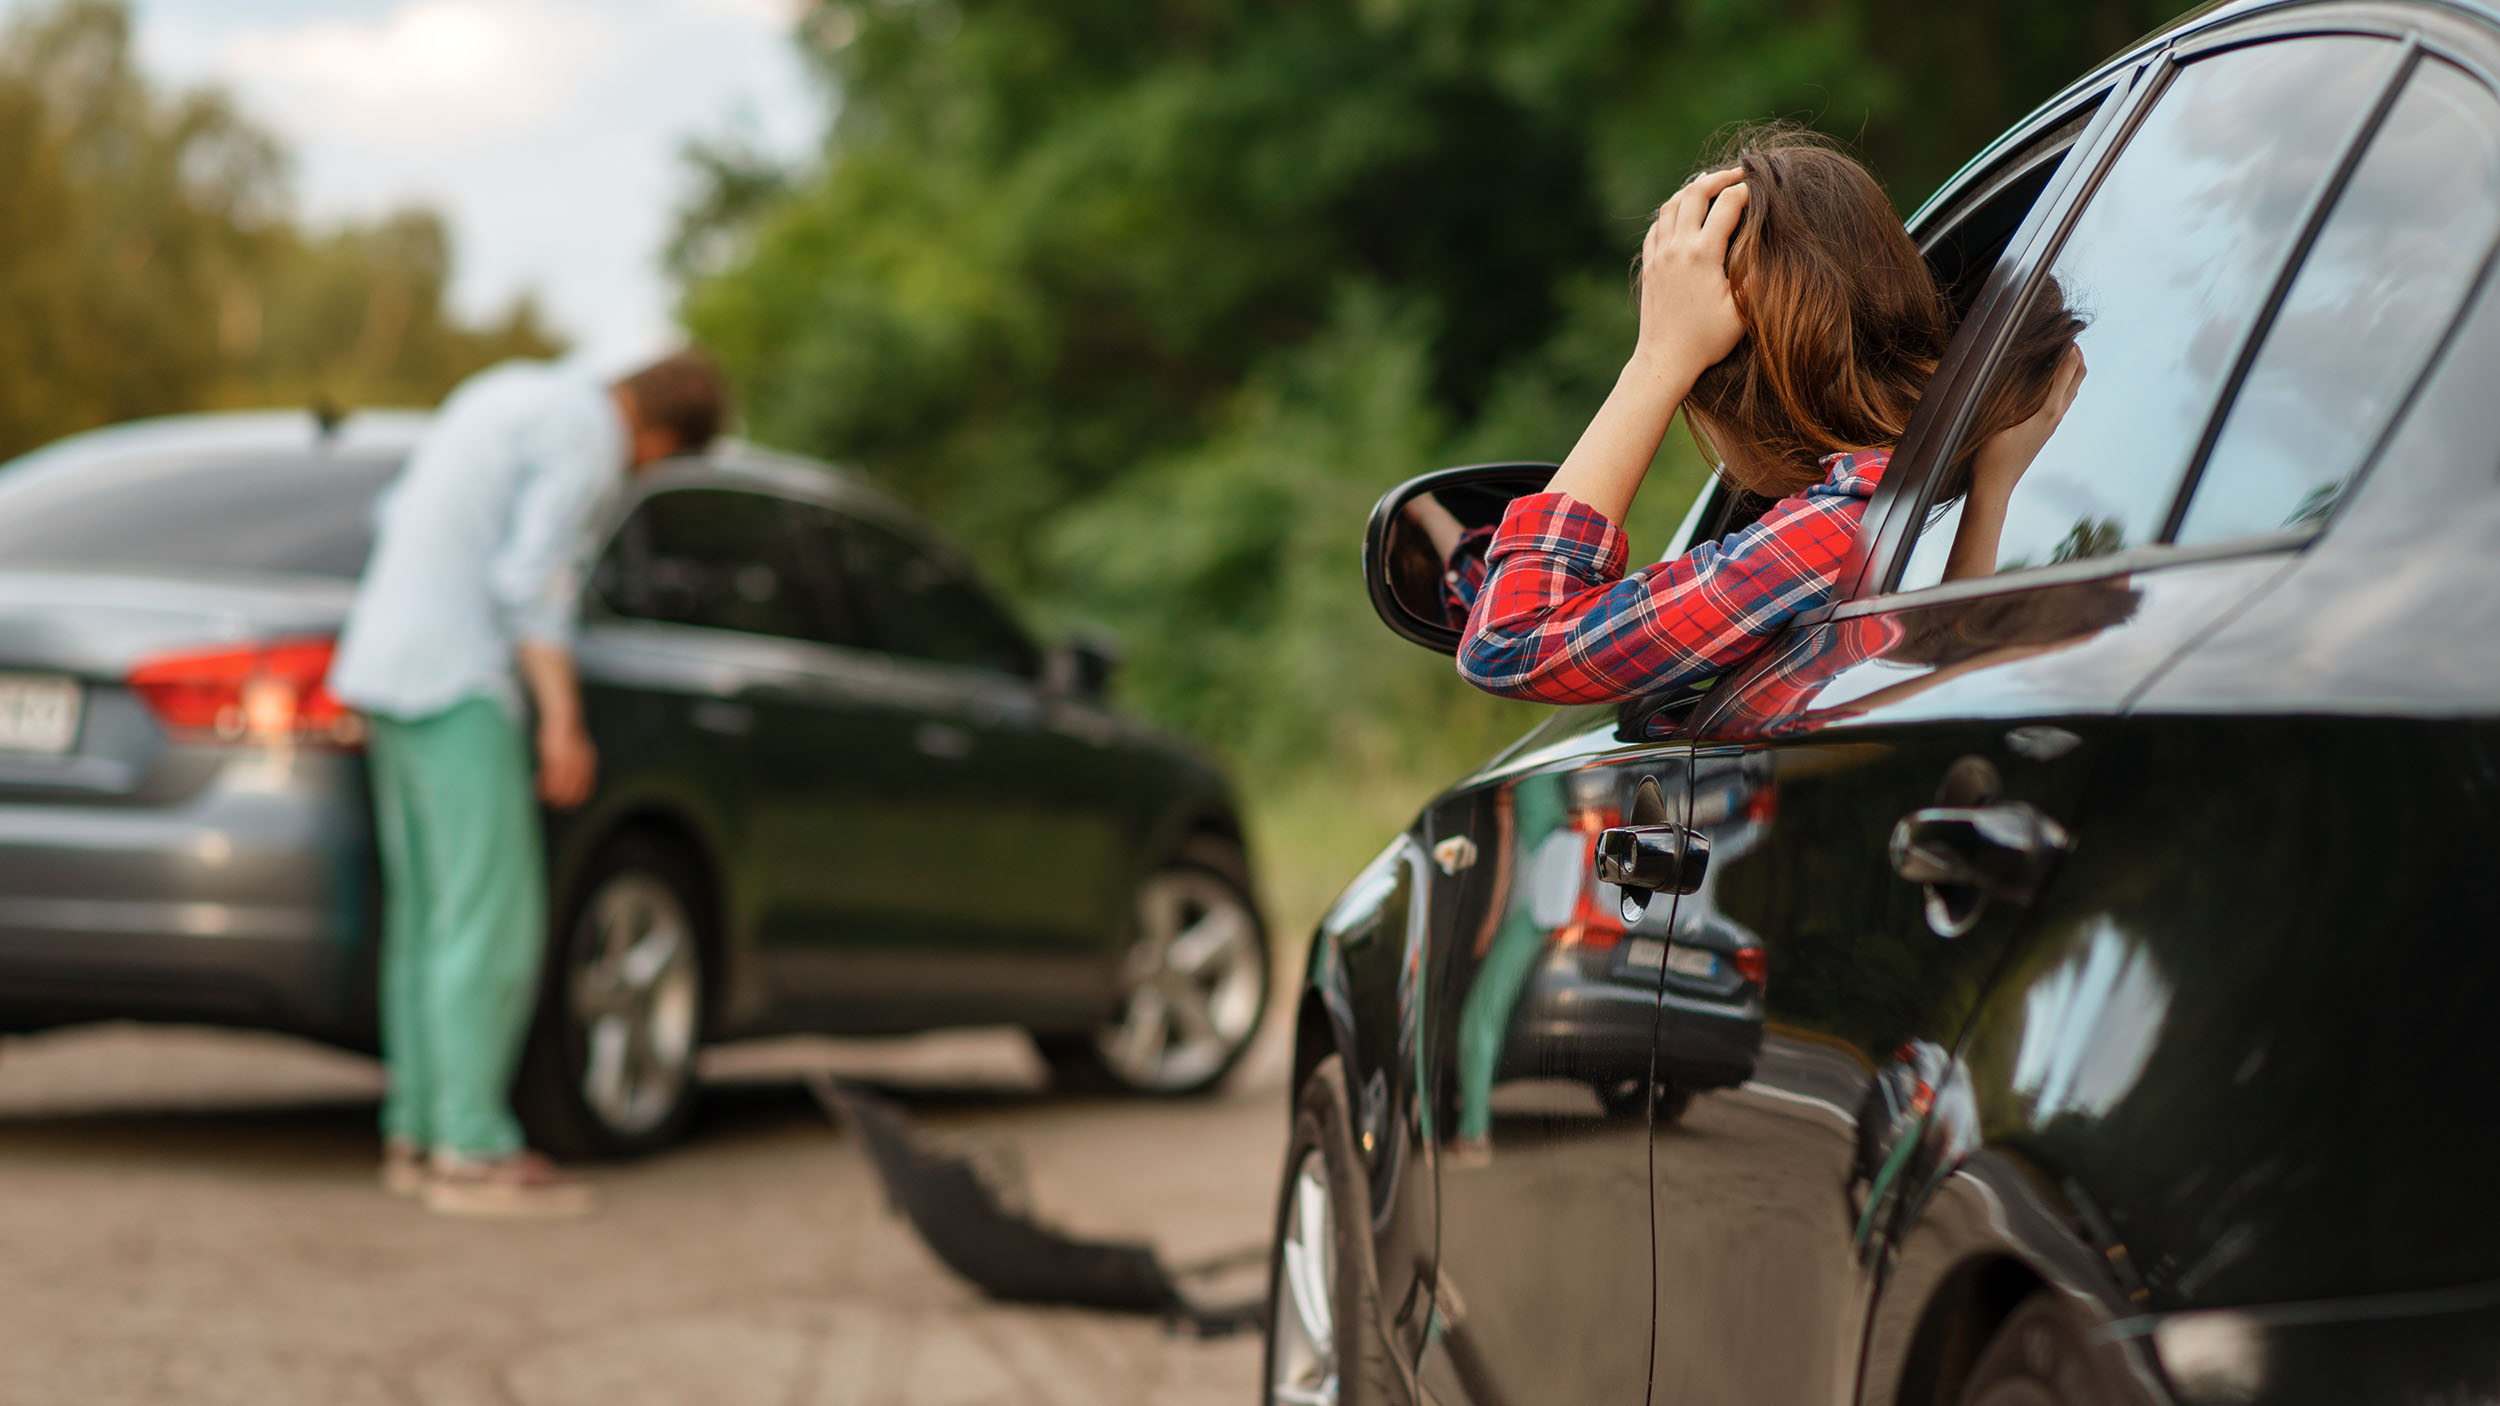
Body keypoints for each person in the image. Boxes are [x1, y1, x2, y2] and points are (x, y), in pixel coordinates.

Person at [1455, 127, 2087, 706]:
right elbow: (1942, 672)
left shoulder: (1839, 529)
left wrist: (1657, 361)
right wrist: (1993, 491)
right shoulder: (1915, 499)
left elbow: (1509, 641)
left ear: (1727, 397)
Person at [328, 350, 730, 1218]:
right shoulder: (588, 439)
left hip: (383, 668)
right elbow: (531, 582)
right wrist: (561, 720)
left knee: (431, 920)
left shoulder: (503, 392)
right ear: (660, 437)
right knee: (492, 922)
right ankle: (471, 1150)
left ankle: (419, 1131)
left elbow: (393, 511)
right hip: (460, 681)